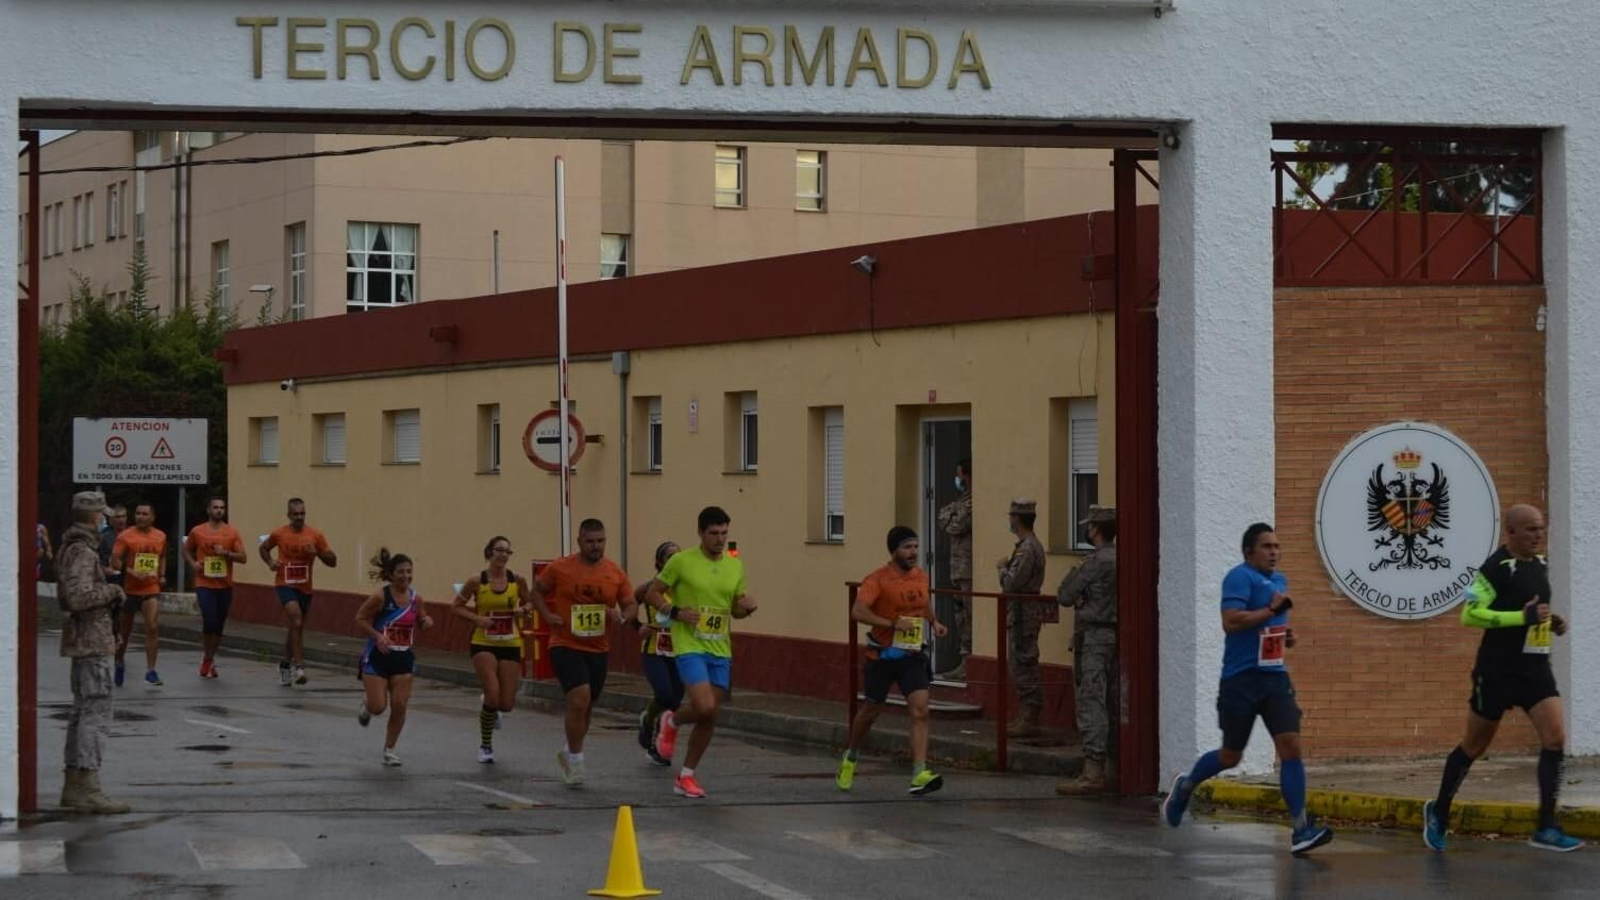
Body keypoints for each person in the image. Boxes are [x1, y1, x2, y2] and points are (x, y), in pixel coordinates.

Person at [1161, 522, 1334, 855]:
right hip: (1240, 681)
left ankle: (1300, 830)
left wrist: (1286, 636)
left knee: (1291, 748)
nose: (1274, 552)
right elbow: (1231, 621)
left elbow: (1270, 627)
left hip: (1274, 678)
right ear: (1248, 551)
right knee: (1231, 756)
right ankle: (1186, 786)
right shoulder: (1238, 577)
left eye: (1277, 546)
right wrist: (1270, 610)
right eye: (1267, 547)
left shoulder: (1279, 581)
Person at [1423, 504, 1583, 853]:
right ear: (1510, 532)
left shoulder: (1540, 564)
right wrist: (1522, 617)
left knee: (1555, 738)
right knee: (1475, 746)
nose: (1538, 535)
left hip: (1535, 669)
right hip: (1496, 672)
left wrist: (1549, 621)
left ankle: (1546, 827)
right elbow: (1471, 615)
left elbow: (1530, 610)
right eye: (1530, 530)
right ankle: (1439, 811)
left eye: (1540, 528)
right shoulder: (1494, 568)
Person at [646, 506, 758, 799]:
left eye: (724, 533)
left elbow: (733, 607)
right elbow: (652, 593)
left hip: (719, 647)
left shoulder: (735, 566)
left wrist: (745, 608)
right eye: (714, 534)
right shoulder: (682, 561)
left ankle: (686, 776)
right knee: (705, 706)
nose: (720, 539)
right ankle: (671, 721)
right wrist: (676, 612)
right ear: (700, 533)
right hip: (690, 645)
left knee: (709, 716)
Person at [837, 526, 949, 795]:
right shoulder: (877, 579)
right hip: (882, 656)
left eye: (915, 547)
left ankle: (919, 772)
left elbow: (923, 603)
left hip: (911, 655)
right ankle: (851, 756)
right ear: (894, 550)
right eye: (906, 547)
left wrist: (934, 622)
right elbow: (858, 611)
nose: (913, 553)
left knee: (920, 709)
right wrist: (890, 623)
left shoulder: (921, 576)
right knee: (871, 711)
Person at [529, 519, 635, 785]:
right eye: (590, 541)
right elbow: (537, 592)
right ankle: (576, 761)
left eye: (600, 541)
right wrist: (547, 615)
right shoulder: (561, 567)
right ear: (579, 542)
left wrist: (621, 615)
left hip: (598, 648)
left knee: (586, 707)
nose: (595, 546)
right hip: (565, 643)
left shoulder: (615, 573)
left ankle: (569, 751)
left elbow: (631, 605)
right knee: (579, 698)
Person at [56, 491, 131, 814]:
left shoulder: (73, 548)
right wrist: (112, 590)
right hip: (92, 642)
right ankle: (88, 785)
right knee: (94, 713)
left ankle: (75, 784)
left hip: (85, 641)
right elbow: (77, 596)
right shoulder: (82, 553)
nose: (105, 521)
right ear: (93, 517)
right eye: (102, 516)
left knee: (82, 711)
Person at [451, 535, 534, 765]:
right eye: (499, 550)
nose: (503, 555)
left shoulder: (517, 580)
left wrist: (523, 610)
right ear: (489, 552)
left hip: (509, 642)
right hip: (483, 642)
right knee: (492, 692)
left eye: (508, 551)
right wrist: (478, 619)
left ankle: (491, 705)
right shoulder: (476, 581)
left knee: (506, 704)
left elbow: (531, 603)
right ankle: (485, 746)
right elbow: (456, 607)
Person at [1054, 507, 1119, 796]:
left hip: (1093, 636)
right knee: (1114, 701)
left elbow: (1065, 595)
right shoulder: (1122, 557)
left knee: (1091, 701)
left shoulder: (1095, 561)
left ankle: (1093, 772)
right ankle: (1114, 767)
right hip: (1116, 635)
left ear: (1095, 529)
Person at [354, 548, 433, 766]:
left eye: (409, 572)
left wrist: (426, 622)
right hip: (377, 657)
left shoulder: (417, 599)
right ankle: (367, 703)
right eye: (401, 572)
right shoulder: (381, 596)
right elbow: (360, 618)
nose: (406, 576)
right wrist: (378, 636)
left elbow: (422, 618)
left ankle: (389, 749)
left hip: (402, 658)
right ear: (391, 574)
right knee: (379, 706)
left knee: (399, 705)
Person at [260, 498, 337, 687]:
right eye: (295, 514)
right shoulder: (279, 533)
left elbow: (333, 561)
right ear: (288, 515)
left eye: (302, 514)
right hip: (284, 584)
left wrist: (318, 552)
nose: (299, 517)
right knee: (296, 619)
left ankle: (284, 664)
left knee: (296, 626)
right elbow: (263, 548)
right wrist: (270, 563)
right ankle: (300, 666)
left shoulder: (315, 535)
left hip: (305, 587)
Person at [997, 497, 1048, 737]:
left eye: (1011, 516)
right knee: (1018, 661)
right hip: (1021, 611)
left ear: (1017, 519)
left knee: (1023, 661)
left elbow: (1011, 583)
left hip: (1023, 612)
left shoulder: (1028, 548)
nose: (1009, 520)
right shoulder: (1027, 545)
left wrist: (1002, 568)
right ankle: (1025, 715)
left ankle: (1030, 717)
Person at [183, 496, 247, 679]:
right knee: (209, 620)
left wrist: (226, 553)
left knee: (218, 625)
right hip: (204, 583)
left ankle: (210, 658)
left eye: (222, 508)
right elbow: (186, 549)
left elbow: (243, 557)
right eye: (216, 507)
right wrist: (193, 564)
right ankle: (208, 658)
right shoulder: (198, 531)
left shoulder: (231, 532)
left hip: (224, 585)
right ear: (208, 510)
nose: (219, 510)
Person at [635, 541, 685, 766]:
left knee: (675, 700)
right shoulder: (647, 588)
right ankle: (651, 727)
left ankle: (656, 731)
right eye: (669, 557)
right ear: (659, 563)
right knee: (664, 695)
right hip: (654, 649)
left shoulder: (687, 588)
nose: (675, 561)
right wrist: (638, 627)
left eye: (678, 556)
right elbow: (628, 606)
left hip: (681, 650)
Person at [110, 503, 167, 688]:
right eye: (138, 513)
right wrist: (133, 572)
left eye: (145, 514)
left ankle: (151, 671)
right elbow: (115, 561)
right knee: (125, 632)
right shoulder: (125, 536)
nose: (141, 517)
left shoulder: (160, 536)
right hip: (130, 590)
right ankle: (119, 662)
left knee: (152, 627)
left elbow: (163, 556)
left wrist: (162, 575)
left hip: (151, 588)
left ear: (153, 517)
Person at [936, 459, 974, 679]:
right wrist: (951, 517)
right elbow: (942, 519)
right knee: (960, 616)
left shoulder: (972, 502)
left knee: (968, 616)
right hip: (957, 568)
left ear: (967, 476)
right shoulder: (962, 500)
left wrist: (951, 517)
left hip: (967, 569)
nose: (957, 479)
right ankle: (964, 662)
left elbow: (955, 525)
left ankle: (968, 663)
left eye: (959, 475)